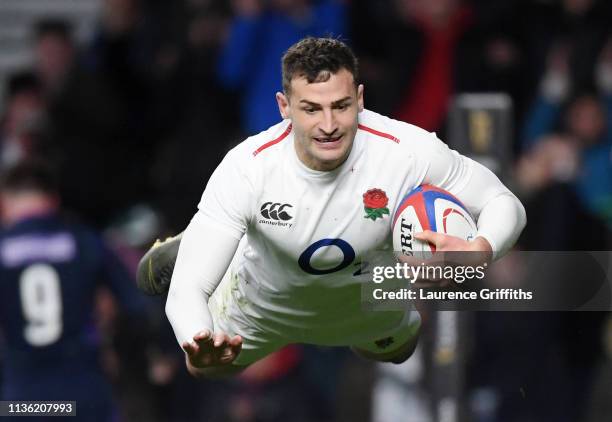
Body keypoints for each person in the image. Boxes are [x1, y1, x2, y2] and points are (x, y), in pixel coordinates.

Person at [138, 37, 526, 378]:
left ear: (359, 98)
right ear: (284, 107)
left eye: (340, 106)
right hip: (264, 304)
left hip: (367, 304)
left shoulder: (407, 151)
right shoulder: (248, 168)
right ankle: (210, 242)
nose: (328, 125)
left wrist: (481, 249)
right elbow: (188, 290)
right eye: (311, 109)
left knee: (398, 351)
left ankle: (216, 238)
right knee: (205, 368)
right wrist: (195, 336)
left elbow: (502, 201)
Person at [0, 159, 145, 420]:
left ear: (4, 203)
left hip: (20, 401)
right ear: (53, 200)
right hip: (84, 394)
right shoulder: (84, 241)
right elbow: (138, 305)